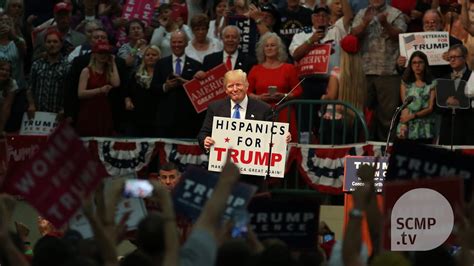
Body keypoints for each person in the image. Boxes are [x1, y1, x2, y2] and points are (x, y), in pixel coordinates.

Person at [351, 0, 407, 141]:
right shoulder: (362, 13)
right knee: (363, 114)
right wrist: (364, 23)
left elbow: (401, 36)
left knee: (388, 116)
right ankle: (363, 150)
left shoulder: (395, 13)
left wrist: (385, 24)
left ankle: (387, 151)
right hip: (364, 71)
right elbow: (353, 34)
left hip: (388, 72)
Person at [197, 69, 273, 151]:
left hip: (252, 159)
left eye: (238, 85)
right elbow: (203, 134)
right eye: (230, 86)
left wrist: (283, 137)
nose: (235, 89)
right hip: (223, 160)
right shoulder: (215, 107)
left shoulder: (264, 109)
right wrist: (205, 140)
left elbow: (273, 136)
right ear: (225, 90)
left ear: (246, 86)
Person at [247, 32, 302, 139]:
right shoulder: (255, 70)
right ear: (262, 49)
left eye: (272, 45)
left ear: (279, 48)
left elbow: (298, 91)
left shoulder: (288, 68)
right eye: (266, 46)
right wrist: (258, 97)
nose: (269, 48)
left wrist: (283, 96)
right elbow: (246, 92)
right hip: (261, 113)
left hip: (284, 113)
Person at [150, 30, 203, 138]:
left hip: (187, 119)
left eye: (180, 42)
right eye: (174, 42)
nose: (176, 45)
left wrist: (187, 83)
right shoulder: (161, 64)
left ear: (186, 43)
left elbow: (199, 93)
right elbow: (153, 88)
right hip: (165, 118)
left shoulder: (196, 65)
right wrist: (166, 86)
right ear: (170, 43)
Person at [320, 34, 367, 144]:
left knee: (332, 157)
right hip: (355, 120)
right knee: (350, 156)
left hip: (334, 119)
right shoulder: (361, 75)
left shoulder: (336, 73)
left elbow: (331, 97)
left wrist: (324, 97)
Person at [396, 9, 462, 78]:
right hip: (420, 84)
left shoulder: (454, 43)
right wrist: (400, 64)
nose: (430, 25)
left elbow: (462, 69)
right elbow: (403, 71)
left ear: (441, 24)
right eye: (426, 22)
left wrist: (453, 60)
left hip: (444, 82)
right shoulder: (412, 40)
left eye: (433, 22)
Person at [76, 40, 120, 137]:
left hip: (103, 110)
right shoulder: (86, 71)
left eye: (106, 53)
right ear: (94, 54)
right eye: (100, 53)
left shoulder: (107, 71)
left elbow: (116, 83)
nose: (103, 55)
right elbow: (80, 93)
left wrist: (113, 63)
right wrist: (100, 90)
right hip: (89, 110)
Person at [27, 30, 70, 119]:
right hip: (38, 114)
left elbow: (69, 91)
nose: (52, 44)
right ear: (45, 44)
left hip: (58, 115)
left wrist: (64, 108)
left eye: (55, 42)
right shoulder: (36, 64)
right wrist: (31, 104)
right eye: (49, 42)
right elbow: (30, 88)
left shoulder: (67, 66)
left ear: (61, 44)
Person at [396, 51, 436, 144]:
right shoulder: (405, 82)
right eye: (414, 62)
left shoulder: (432, 83)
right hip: (408, 124)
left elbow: (430, 108)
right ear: (410, 65)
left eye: (420, 62)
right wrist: (404, 124)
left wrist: (412, 116)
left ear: (425, 64)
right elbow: (405, 105)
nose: (417, 65)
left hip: (425, 125)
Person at [438, 44, 474, 145]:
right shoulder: (444, 79)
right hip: (447, 130)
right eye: (450, 58)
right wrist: (446, 103)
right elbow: (437, 108)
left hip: (467, 129)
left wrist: (460, 103)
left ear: (465, 57)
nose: (452, 60)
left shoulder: (473, 76)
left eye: (455, 57)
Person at [124, 45, 161, 137]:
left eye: (154, 55)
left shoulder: (162, 74)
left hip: (156, 116)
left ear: (159, 57)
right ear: (143, 58)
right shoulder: (136, 74)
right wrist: (128, 101)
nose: (151, 57)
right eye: (147, 55)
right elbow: (127, 92)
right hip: (137, 115)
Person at [0, 58, 17, 137]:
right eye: (2, 69)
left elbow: (6, 108)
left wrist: (0, 129)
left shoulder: (12, 83)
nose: (4, 72)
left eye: (7, 70)